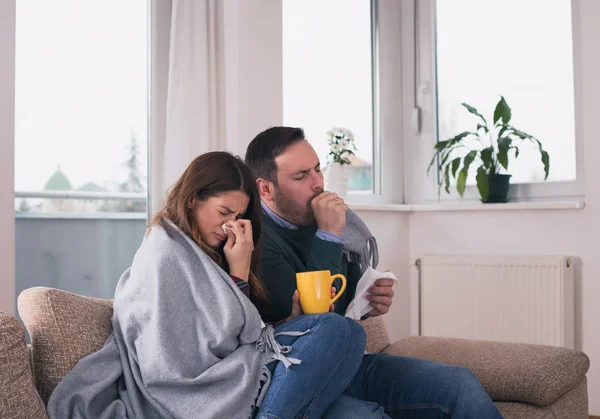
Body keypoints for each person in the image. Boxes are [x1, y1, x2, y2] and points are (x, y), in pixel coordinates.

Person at [45, 151, 373, 419]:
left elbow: (236, 335)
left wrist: (288, 318)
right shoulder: (164, 251)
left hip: (243, 380)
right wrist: (239, 274)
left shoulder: (209, 251)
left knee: (360, 408)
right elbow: (176, 363)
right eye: (223, 211)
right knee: (337, 331)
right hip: (201, 394)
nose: (231, 224)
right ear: (192, 200)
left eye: (239, 215)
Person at [245, 127, 504, 419]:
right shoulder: (255, 241)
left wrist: (368, 300)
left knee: (461, 384)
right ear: (266, 189)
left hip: (350, 363)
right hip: (297, 378)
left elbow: (341, 302)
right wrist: (329, 234)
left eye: (317, 169)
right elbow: (313, 320)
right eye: (300, 176)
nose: (317, 183)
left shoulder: (320, 218)